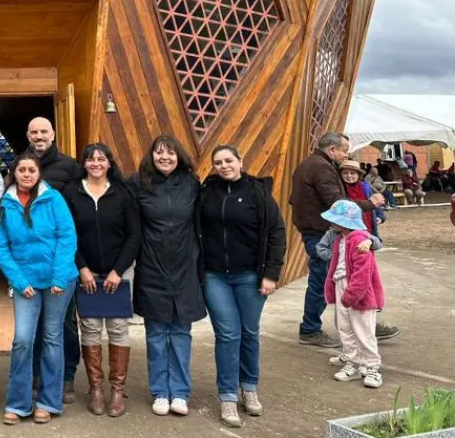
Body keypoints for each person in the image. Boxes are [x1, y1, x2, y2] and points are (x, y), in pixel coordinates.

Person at [200, 145, 286, 428]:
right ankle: (227, 395)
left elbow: (276, 232)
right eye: (218, 162)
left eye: (228, 160)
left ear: (240, 161)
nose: (223, 166)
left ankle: (249, 388)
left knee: (249, 333)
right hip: (215, 276)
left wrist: (271, 273)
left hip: (250, 275)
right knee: (227, 334)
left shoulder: (258, 193)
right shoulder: (206, 191)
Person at [0, 152, 78, 425]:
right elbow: (0, 246)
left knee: (52, 337)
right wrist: (19, 281)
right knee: (23, 339)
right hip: (25, 283)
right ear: (14, 174)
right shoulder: (5, 205)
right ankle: (18, 403)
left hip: (58, 281)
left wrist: (59, 278)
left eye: (31, 170)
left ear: (38, 173)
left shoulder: (54, 199)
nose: (27, 174)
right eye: (21, 170)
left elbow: (67, 237)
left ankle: (48, 401)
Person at [63, 143, 141, 418]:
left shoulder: (123, 192)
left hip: (119, 271)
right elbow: (67, 233)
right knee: (91, 328)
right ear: (83, 163)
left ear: (109, 163)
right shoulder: (72, 193)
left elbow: (134, 236)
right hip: (87, 272)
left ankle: (117, 389)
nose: (96, 163)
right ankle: (96, 388)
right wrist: (82, 268)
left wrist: (118, 271)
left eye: (101, 159)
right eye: (90, 159)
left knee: (119, 327)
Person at [130, 134, 205, 417]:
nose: (165, 157)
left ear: (179, 156)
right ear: (151, 156)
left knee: (182, 332)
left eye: (170, 153)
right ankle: (161, 391)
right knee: (157, 333)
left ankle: (181, 392)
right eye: (159, 153)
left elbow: (202, 222)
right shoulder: (139, 184)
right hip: (152, 266)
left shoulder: (191, 184)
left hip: (185, 266)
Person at [289, 132, 385, 348]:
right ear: (332, 149)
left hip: (320, 230)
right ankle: (310, 329)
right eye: (343, 150)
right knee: (325, 279)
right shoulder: (321, 168)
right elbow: (337, 203)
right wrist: (369, 204)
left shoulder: (310, 164)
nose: (345, 154)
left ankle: (365, 321)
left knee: (348, 277)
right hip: (323, 232)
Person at [26, 117, 81, 403]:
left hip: (61, 257)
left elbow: (78, 211)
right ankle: (37, 374)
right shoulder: (22, 164)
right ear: (28, 135)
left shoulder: (70, 167)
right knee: (36, 322)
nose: (39, 136)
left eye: (43, 131)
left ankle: (67, 375)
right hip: (31, 258)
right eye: (34, 132)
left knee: (64, 322)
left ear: (53, 134)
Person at [318, 200, 386, 389]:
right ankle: (354, 362)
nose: (331, 223)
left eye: (335, 219)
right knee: (345, 328)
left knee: (364, 330)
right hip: (342, 286)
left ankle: (372, 366)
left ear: (346, 222)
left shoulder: (359, 239)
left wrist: (351, 295)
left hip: (358, 292)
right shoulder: (340, 238)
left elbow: (362, 273)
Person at [340, 160, 385, 237]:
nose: (349, 176)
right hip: (349, 228)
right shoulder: (340, 188)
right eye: (345, 173)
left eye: (352, 173)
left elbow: (374, 201)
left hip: (367, 225)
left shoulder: (365, 187)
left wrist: (380, 216)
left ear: (358, 175)